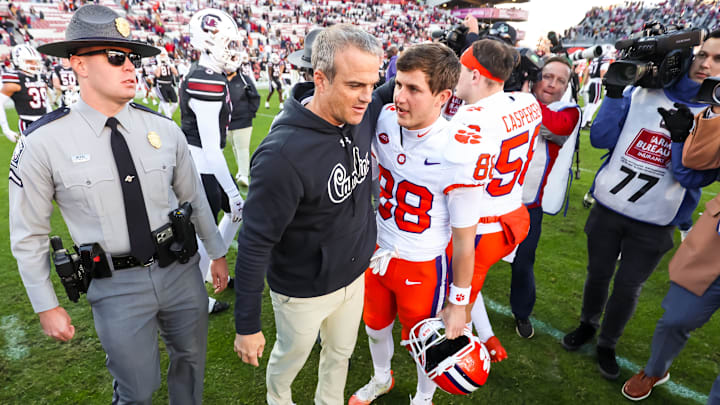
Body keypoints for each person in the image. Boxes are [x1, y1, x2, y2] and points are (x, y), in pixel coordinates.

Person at [9, 5, 229, 403]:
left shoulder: (163, 128)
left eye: (133, 58)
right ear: (79, 65)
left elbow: (193, 196)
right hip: (115, 285)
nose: (130, 67)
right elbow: (29, 235)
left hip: (180, 271)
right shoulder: (42, 142)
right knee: (137, 388)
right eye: (115, 57)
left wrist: (216, 252)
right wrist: (46, 305)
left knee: (191, 363)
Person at [233, 24, 390, 405]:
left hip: (353, 277)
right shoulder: (282, 156)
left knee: (340, 355)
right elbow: (254, 244)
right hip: (301, 291)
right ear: (320, 78)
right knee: (290, 360)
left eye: (372, 85)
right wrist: (247, 325)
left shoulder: (358, 112)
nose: (367, 97)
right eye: (355, 85)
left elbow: (397, 85)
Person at [562, 30, 720, 381]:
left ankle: (607, 342)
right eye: (702, 55)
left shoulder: (715, 116)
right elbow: (601, 138)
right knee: (598, 275)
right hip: (609, 205)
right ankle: (587, 324)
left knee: (628, 287)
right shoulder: (643, 91)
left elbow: (693, 179)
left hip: (655, 220)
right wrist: (616, 94)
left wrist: (681, 138)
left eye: (718, 59)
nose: (706, 64)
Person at [349, 42, 485, 405]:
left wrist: (459, 301)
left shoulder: (456, 151)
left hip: (423, 263)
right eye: (399, 85)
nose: (400, 97)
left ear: (442, 96)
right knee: (375, 325)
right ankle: (382, 378)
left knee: (426, 342)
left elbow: (465, 239)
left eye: (413, 89)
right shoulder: (384, 119)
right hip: (379, 249)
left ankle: (424, 398)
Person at [621, 86, 720, 402]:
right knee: (675, 318)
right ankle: (655, 368)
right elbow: (689, 173)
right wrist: (682, 137)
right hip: (714, 247)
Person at [453, 39, 541, 353]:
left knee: (456, 303)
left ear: (475, 76)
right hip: (513, 217)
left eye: (461, 70)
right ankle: (489, 337)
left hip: (480, 228)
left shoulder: (470, 121)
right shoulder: (527, 103)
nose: (455, 77)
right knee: (471, 287)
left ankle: (462, 359)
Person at [510, 56, 581, 339]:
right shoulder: (511, 99)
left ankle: (522, 312)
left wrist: (521, 98)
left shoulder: (568, 112)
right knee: (471, 255)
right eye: (547, 76)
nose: (552, 84)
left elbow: (555, 126)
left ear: (567, 87)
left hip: (529, 203)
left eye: (560, 80)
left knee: (524, 262)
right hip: (491, 198)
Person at [180, 8, 243, 315]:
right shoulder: (206, 81)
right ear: (206, 43)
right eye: (226, 43)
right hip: (202, 166)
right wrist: (231, 190)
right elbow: (211, 147)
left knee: (234, 214)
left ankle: (209, 272)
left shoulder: (209, 74)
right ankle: (198, 298)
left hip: (203, 163)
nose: (232, 51)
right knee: (205, 231)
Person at [0, 44, 51, 141]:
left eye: (36, 61)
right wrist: (6, 130)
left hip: (45, 122)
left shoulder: (40, 77)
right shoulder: (16, 79)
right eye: (29, 61)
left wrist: (51, 117)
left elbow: (45, 101)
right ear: (17, 61)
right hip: (28, 124)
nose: (34, 64)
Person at [226, 47, 260, 187]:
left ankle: (244, 175)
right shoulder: (220, 80)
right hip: (226, 121)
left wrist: (249, 114)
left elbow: (255, 97)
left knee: (242, 148)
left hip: (243, 120)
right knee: (234, 146)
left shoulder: (244, 79)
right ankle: (241, 171)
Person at [581, 53, 610, 128]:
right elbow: (602, 72)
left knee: (595, 102)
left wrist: (584, 85)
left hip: (591, 82)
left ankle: (587, 120)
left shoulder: (595, 59)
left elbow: (587, 71)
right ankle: (584, 122)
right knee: (593, 104)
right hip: (597, 83)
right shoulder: (604, 59)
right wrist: (604, 85)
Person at [154, 49, 179, 118]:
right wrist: (159, 64)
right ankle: (168, 118)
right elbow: (158, 75)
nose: (163, 56)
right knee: (166, 103)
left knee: (175, 104)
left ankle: (161, 114)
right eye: (161, 55)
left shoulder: (169, 61)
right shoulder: (156, 62)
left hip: (169, 84)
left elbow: (176, 73)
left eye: (164, 54)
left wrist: (169, 64)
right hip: (161, 84)